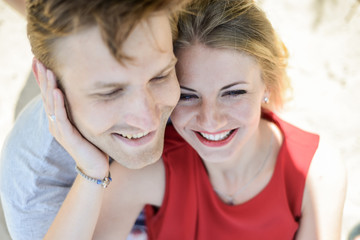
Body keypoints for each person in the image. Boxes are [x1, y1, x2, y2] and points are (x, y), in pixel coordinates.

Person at [93, 0, 347, 239]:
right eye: (188, 96)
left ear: (267, 85)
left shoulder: (317, 172)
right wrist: (88, 165)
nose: (211, 121)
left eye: (234, 93)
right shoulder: (151, 165)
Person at [0, 0, 186, 239]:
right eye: (110, 92)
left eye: (160, 76)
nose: (147, 120)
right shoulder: (35, 188)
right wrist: (91, 173)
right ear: (49, 82)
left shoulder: (184, 51)